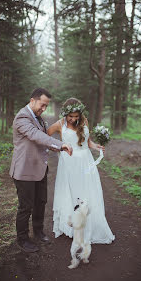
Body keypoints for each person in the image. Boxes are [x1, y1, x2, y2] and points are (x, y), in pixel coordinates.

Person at [9, 88, 72, 253]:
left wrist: (60, 149)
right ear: (32, 100)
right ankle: (22, 240)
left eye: (46, 106)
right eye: (42, 105)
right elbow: (36, 136)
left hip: (40, 168)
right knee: (25, 207)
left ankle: (38, 231)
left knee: (41, 201)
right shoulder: (23, 117)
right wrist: (60, 144)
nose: (44, 109)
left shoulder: (38, 118)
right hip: (24, 171)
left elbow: (42, 141)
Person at [47, 98, 115, 244]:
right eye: (70, 116)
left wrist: (96, 146)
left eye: (76, 116)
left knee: (87, 191)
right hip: (69, 162)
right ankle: (70, 225)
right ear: (65, 114)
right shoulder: (60, 124)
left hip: (85, 160)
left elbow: (87, 141)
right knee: (71, 192)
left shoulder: (84, 121)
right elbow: (45, 136)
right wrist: (58, 147)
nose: (73, 119)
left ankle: (89, 225)